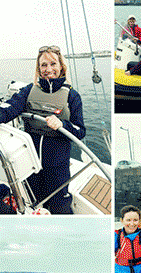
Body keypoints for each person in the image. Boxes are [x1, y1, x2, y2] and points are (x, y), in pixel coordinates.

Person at [0, 46, 84, 214]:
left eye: (53, 64)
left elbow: (80, 131)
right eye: (43, 65)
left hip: (57, 166)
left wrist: (62, 125)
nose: (48, 69)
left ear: (61, 66)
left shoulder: (72, 96)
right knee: (36, 202)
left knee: (60, 206)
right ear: (38, 68)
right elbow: (8, 110)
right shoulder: (28, 91)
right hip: (31, 165)